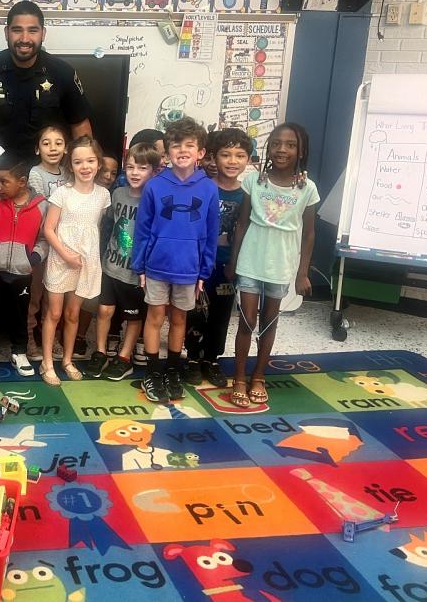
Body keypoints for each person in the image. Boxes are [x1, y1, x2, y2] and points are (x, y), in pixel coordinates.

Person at [228, 123, 318, 408]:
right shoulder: (254, 181)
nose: (282, 149)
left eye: (290, 145)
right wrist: (233, 262)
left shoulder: (307, 187)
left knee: (269, 322)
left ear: (300, 151)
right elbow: (241, 223)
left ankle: (259, 376)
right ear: (269, 147)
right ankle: (240, 378)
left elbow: (309, 233)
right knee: (247, 320)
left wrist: (303, 272)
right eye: (277, 143)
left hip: (281, 265)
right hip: (251, 262)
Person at [132, 117, 219, 405]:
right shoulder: (155, 186)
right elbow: (143, 228)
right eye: (176, 145)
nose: (182, 151)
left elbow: (210, 234)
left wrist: (203, 272)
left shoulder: (208, 189)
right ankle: (153, 372)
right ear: (167, 152)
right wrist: (140, 266)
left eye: (189, 145)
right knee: (155, 318)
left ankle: (172, 370)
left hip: (189, 269)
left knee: (179, 319)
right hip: (156, 266)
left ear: (200, 152)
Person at [0, 1, 93, 159]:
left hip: (46, 170)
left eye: (33, 30)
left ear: (43, 33)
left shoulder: (62, 72)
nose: (25, 38)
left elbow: (79, 124)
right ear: (7, 33)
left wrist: (86, 163)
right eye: (17, 30)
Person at [86, 142, 161, 381]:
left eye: (142, 168)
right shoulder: (116, 194)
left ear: (154, 171)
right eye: (130, 167)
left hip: (135, 272)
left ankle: (125, 357)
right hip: (111, 265)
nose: (135, 173)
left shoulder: (154, 200)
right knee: (104, 310)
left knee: (133, 316)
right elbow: (108, 226)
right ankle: (100, 352)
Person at [183, 129, 252, 388]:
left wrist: (235, 263)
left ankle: (211, 359)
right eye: (226, 154)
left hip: (227, 264)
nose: (232, 161)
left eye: (239, 155)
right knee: (195, 312)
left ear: (248, 159)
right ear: (214, 157)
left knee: (221, 314)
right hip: (199, 264)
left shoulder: (247, 194)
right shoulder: (202, 188)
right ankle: (191, 357)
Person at [41, 135, 110, 386]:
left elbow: (97, 229)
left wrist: (86, 257)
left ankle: (67, 360)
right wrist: (66, 255)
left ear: (98, 163)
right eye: (79, 162)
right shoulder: (62, 193)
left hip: (85, 261)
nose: (85, 166)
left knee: (73, 314)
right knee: (55, 313)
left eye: (90, 161)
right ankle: (47, 362)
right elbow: (49, 229)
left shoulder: (103, 195)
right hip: (61, 259)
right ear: (70, 165)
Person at [0, 152, 47, 380]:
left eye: (3, 181)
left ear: (23, 182)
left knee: (21, 313)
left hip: (23, 272)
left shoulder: (41, 206)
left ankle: (19, 351)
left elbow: (44, 239)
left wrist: (33, 259)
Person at [26, 124, 68, 358]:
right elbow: (42, 207)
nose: (53, 148)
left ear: (66, 148)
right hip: (42, 242)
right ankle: (31, 338)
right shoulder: (35, 173)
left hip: (64, 243)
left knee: (55, 296)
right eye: (46, 143)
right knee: (36, 294)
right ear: (37, 149)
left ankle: (50, 338)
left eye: (58, 143)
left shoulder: (69, 173)